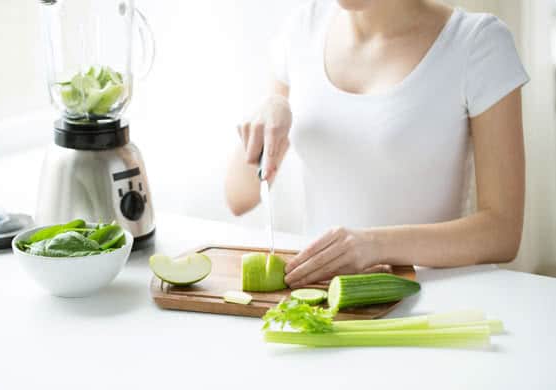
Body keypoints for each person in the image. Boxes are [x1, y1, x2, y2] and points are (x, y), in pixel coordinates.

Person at [225, 0, 528, 288]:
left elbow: (502, 232)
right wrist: (272, 106)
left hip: (428, 297)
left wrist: (375, 246)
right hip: (320, 296)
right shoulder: (305, 26)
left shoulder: (477, 42)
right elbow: (240, 196)